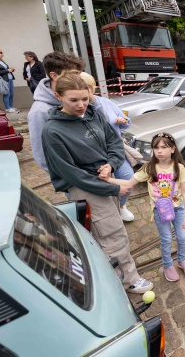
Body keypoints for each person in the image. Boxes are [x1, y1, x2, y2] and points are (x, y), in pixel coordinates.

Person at [41, 72, 152, 294]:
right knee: (112, 234)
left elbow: (114, 141)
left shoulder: (93, 114)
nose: (81, 104)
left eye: (85, 98)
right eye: (74, 100)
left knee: (102, 232)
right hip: (87, 188)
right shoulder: (53, 131)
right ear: (58, 96)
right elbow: (73, 175)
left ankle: (107, 273)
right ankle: (127, 280)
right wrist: (113, 187)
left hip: (104, 178)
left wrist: (110, 164)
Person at [101, 133, 185, 281]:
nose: (159, 151)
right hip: (161, 211)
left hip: (178, 208)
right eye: (156, 147)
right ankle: (167, 265)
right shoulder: (149, 168)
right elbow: (128, 183)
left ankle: (182, 260)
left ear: (173, 149)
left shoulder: (179, 167)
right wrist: (109, 179)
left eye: (164, 147)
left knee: (182, 236)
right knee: (167, 239)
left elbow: (184, 191)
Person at [79, 72, 135, 222]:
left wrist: (123, 120)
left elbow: (127, 121)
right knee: (102, 184)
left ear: (92, 88)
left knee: (128, 177)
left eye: (87, 87)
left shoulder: (106, 102)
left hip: (115, 150)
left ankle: (122, 206)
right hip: (95, 155)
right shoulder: (78, 108)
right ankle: (107, 213)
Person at [29, 52, 85, 172]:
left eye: (78, 74)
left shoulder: (80, 98)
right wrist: (68, 179)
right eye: (71, 74)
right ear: (53, 75)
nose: (77, 79)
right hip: (74, 178)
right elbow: (42, 154)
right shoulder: (40, 112)